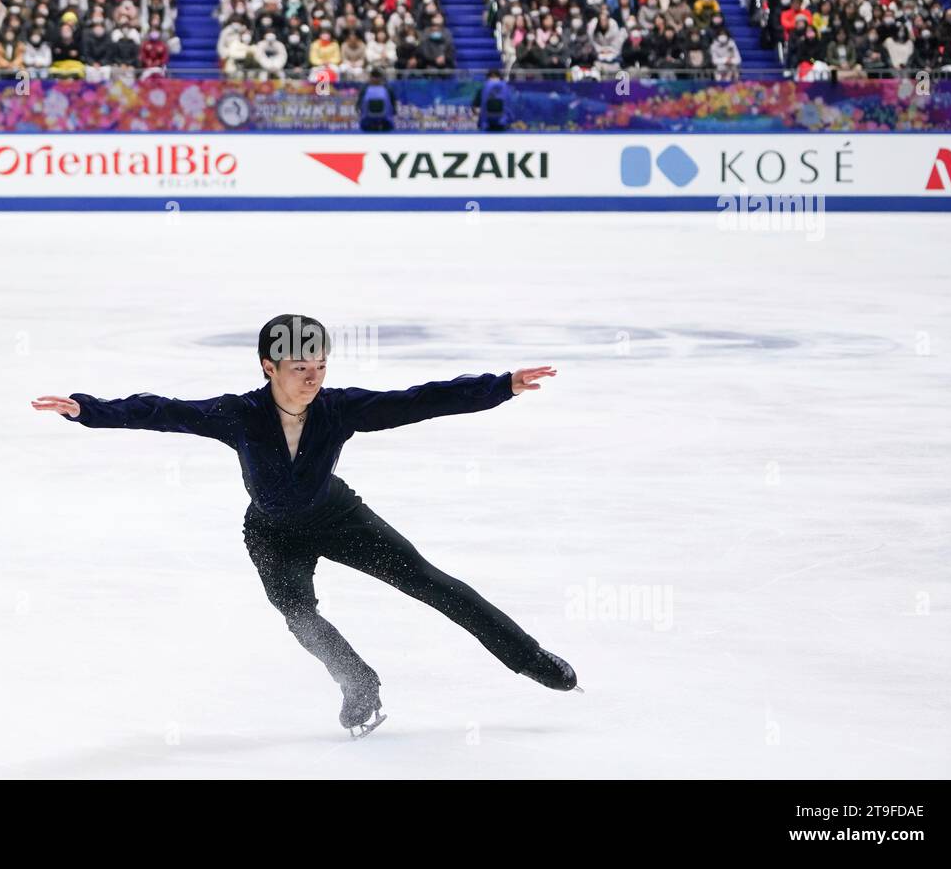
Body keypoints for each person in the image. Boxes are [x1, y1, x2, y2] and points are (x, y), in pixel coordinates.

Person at [32, 314, 580, 737]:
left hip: (340, 519)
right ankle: (358, 681)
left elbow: (419, 400)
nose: (313, 378)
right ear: (268, 368)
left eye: (320, 366)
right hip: (271, 531)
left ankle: (531, 659)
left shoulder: (338, 410)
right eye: (300, 369)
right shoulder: (237, 413)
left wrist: (499, 386)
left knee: (431, 584)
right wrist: (88, 409)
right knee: (298, 613)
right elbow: (161, 410)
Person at [356, 68, 396, 132]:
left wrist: (394, 110)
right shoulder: (365, 88)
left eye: (377, 77)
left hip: (385, 117)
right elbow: (360, 100)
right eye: (374, 76)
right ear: (371, 77)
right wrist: (357, 108)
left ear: (381, 77)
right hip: (367, 117)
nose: (375, 79)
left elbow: (392, 101)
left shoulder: (387, 88)